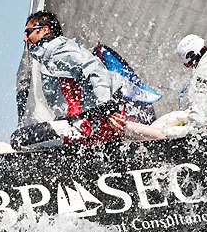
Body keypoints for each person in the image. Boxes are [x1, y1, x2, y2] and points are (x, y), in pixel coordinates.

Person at [12, 10, 159, 149]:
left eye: (28, 32)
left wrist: (107, 109)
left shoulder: (59, 49)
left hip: (88, 125)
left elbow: (95, 69)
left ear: (44, 30)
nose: (24, 38)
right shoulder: (50, 54)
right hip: (83, 123)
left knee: (19, 140)